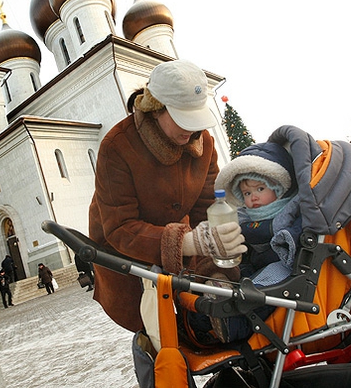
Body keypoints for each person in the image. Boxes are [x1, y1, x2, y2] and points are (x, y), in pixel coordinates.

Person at [88, 59, 246, 333]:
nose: (191, 130)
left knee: (198, 328)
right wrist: (184, 242)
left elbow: (206, 207)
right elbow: (119, 227)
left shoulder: (204, 143)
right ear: (155, 109)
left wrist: (212, 267)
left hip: (183, 245)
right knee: (156, 334)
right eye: (182, 119)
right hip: (124, 255)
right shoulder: (117, 146)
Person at [209, 141, 302, 342]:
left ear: (278, 187)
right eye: (247, 193)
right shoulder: (245, 216)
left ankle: (234, 326)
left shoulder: (292, 210)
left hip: (285, 267)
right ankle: (216, 304)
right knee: (239, 275)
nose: (254, 198)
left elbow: (297, 239)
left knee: (259, 291)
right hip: (257, 263)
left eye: (260, 189)